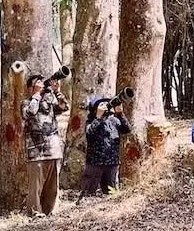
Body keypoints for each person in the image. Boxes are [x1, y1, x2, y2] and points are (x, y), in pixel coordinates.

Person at [21, 74, 69, 217]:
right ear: (30, 88)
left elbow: (64, 107)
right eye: (38, 83)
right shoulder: (26, 102)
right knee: (35, 187)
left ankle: (51, 211)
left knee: (52, 186)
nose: (42, 85)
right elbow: (29, 113)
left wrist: (56, 92)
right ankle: (35, 213)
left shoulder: (49, 103)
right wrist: (36, 94)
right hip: (36, 152)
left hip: (53, 150)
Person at [76, 98, 131, 205]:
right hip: (95, 163)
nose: (105, 106)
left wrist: (120, 114)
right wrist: (98, 117)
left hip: (112, 163)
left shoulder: (114, 120)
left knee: (113, 195)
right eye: (101, 105)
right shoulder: (91, 121)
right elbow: (89, 134)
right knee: (87, 195)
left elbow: (127, 129)